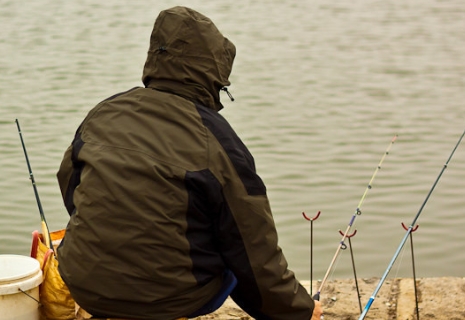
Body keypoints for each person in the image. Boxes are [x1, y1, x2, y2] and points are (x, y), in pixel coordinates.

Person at [56, 6, 323, 320]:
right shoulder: (219, 142)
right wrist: (303, 312)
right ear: (213, 76)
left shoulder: (104, 112)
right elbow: (253, 255)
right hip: (166, 302)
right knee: (235, 253)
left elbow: (70, 186)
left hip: (84, 285)